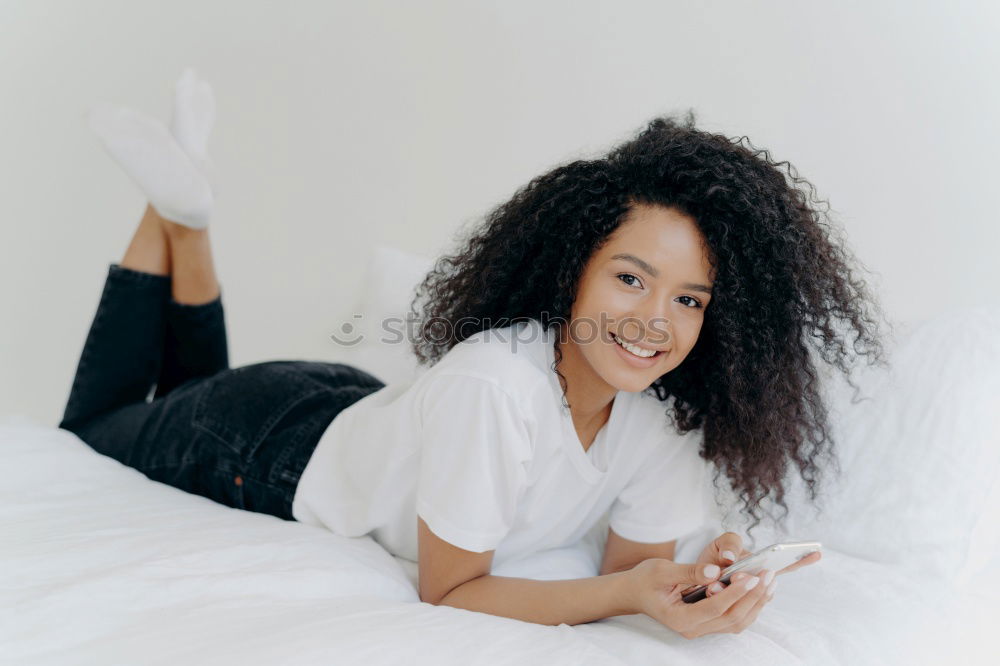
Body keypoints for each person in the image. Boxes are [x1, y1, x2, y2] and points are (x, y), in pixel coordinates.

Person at [61, 69, 885, 636]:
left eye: (689, 299)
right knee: (94, 427)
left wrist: (690, 581)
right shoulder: (494, 384)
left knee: (183, 389)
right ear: (572, 272)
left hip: (355, 407)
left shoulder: (664, 414)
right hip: (273, 442)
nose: (655, 321)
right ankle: (175, 214)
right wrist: (632, 591)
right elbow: (451, 591)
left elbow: (627, 570)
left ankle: (188, 210)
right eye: (631, 278)